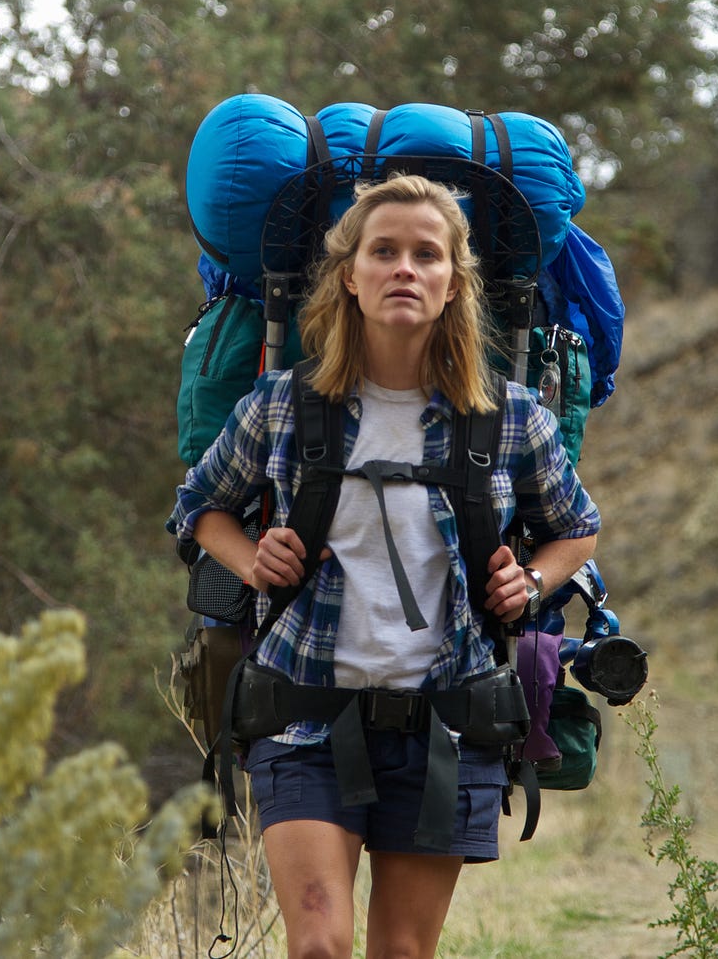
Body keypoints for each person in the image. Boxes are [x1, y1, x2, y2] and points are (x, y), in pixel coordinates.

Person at [168, 173, 600, 959]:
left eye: (427, 254)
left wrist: (531, 580)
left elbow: (578, 529)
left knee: (402, 952)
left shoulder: (511, 419)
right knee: (319, 947)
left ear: (452, 284)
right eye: (385, 251)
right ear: (350, 276)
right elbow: (199, 505)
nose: (405, 266)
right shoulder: (282, 406)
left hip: (447, 726)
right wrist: (252, 560)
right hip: (303, 717)